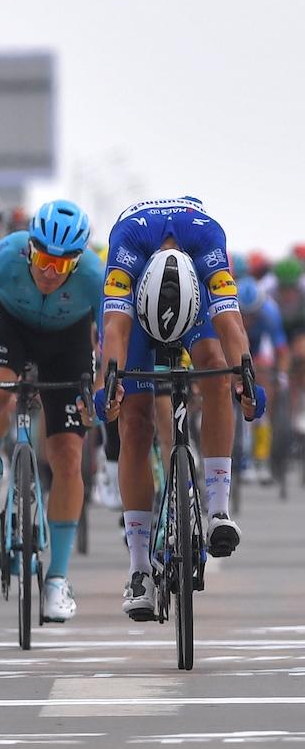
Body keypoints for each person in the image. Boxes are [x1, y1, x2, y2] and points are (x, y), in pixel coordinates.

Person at [95, 197, 263, 620]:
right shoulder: (126, 243)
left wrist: (246, 376)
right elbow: (114, 328)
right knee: (134, 421)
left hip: (194, 302)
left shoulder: (207, 238)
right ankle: (138, 569)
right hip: (137, 308)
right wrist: (108, 384)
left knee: (217, 372)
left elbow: (231, 324)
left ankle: (219, 509)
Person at [0, 200, 103, 622]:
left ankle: (56, 580)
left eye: (62, 263)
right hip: (8, 325)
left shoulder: (94, 276)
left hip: (67, 341)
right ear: (29, 246)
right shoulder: (2, 256)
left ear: (77, 260)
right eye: (43, 258)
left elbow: (111, 344)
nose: (50, 271)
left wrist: (104, 391)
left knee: (68, 457)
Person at [237, 276, 290, 483]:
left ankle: (262, 458)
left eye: (253, 315)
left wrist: (282, 376)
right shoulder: (230, 311)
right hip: (236, 344)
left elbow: (281, 350)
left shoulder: (270, 312)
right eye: (245, 314)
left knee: (264, 378)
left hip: (258, 349)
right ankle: (241, 455)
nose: (248, 319)